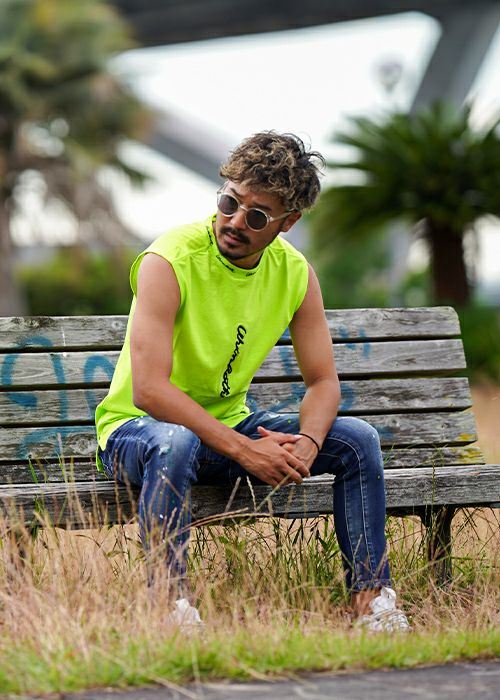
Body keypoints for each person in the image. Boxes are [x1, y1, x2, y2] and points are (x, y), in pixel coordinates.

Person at [95, 131, 409, 633]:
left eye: (257, 216)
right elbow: (148, 391)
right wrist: (245, 451)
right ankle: (169, 607)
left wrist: (308, 443)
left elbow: (323, 382)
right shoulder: (169, 259)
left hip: (224, 432)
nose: (235, 221)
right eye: (229, 202)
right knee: (175, 440)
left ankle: (370, 603)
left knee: (356, 440)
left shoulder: (296, 274)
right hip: (139, 433)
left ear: (288, 222)